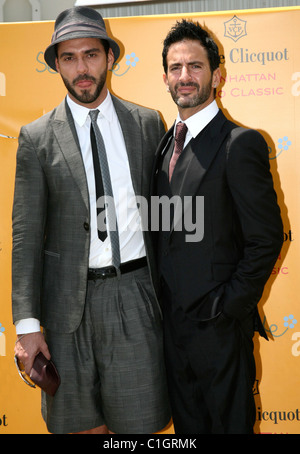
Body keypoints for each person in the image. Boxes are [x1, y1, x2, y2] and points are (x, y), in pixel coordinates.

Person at [12, 6, 170, 434]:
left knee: (139, 427)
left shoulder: (148, 124)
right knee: (80, 428)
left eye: (91, 55)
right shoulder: (37, 137)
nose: (82, 68)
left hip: (135, 298)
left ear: (109, 57)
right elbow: (25, 238)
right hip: (65, 310)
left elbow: (167, 220)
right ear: (57, 65)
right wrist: (27, 327)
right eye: (69, 58)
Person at [152, 19, 283, 434]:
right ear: (165, 77)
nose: (184, 76)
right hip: (171, 333)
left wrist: (227, 309)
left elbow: (266, 239)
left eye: (195, 66)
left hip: (220, 332)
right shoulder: (163, 143)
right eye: (176, 68)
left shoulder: (240, 143)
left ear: (217, 75)